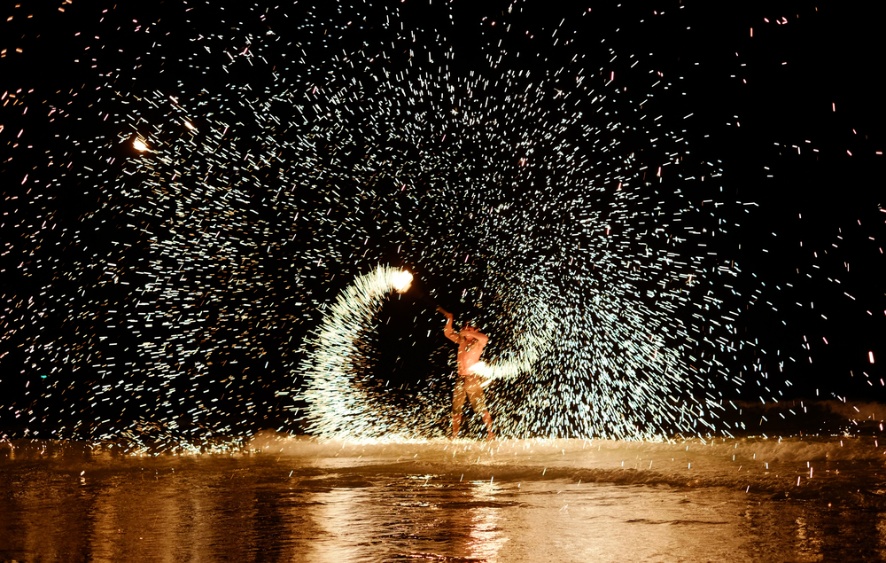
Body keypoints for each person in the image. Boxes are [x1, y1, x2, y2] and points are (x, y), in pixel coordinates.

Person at [437, 307, 495, 440]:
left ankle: (490, 433)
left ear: (476, 330)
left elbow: (485, 338)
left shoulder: (478, 342)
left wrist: (468, 332)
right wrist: (450, 319)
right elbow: (448, 333)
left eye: (470, 329)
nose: (466, 331)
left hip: (472, 378)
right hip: (460, 378)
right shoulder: (461, 340)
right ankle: (454, 435)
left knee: (481, 407)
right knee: (456, 409)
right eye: (465, 328)